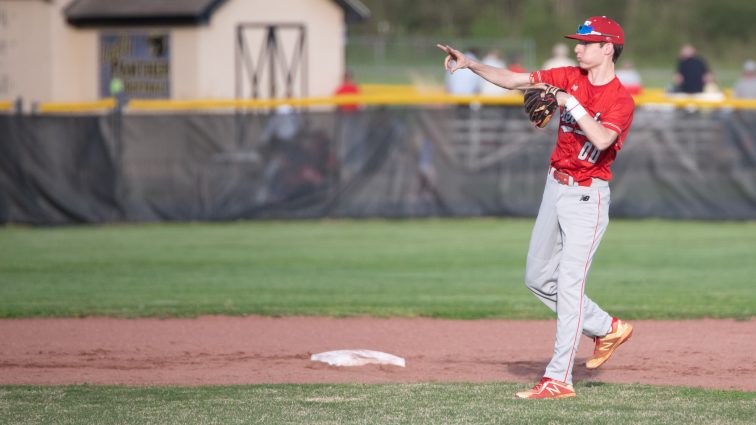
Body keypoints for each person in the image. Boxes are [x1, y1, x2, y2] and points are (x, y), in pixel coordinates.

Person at [437, 15, 635, 399]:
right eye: (577, 43)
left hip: (586, 196)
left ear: (607, 48)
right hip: (555, 186)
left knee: (569, 284)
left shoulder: (619, 99)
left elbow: (602, 138)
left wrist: (569, 102)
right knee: (537, 277)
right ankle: (607, 327)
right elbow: (515, 80)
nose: (577, 48)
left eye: (585, 43)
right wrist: (470, 65)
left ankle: (559, 379)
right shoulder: (567, 75)